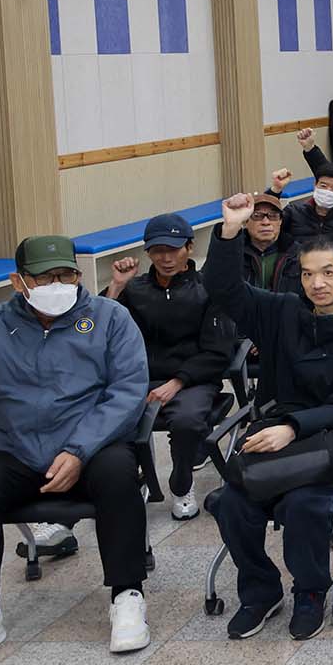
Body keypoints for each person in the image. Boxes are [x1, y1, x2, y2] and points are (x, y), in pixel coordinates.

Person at [0, 237, 152, 665]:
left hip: (91, 447)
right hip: (17, 451)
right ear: (18, 281)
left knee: (120, 474)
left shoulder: (110, 317)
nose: (58, 284)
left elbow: (128, 392)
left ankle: (126, 595)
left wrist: (79, 450)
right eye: (46, 277)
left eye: (67, 275)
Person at [204, 194, 333, 643]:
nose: (318, 283)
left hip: (327, 447)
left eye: (328, 273)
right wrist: (230, 230)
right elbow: (224, 290)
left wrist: (292, 428)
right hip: (271, 434)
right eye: (308, 274)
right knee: (232, 504)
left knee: (303, 505)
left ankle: (310, 591)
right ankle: (261, 590)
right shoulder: (283, 311)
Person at [102, 213, 236, 520]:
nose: (166, 258)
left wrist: (177, 381)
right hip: (139, 379)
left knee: (188, 420)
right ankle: (129, 480)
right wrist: (116, 288)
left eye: (174, 249)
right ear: (147, 252)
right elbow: (102, 331)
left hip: (192, 380)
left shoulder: (208, 289)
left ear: (189, 247)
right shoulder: (133, 291)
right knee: (106, 419)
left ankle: (182, 482)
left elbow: (218, 351)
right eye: (158, 250)